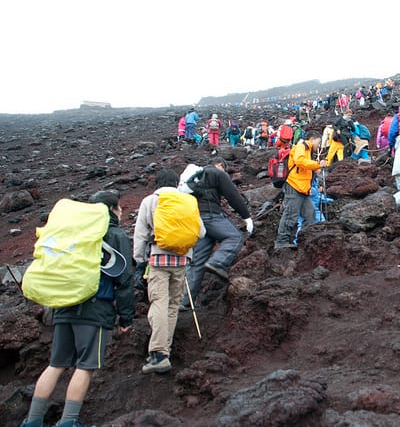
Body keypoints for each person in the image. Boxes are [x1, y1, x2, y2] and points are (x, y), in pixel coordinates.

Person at [21, 190, 134, 427]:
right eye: (120, 208)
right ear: (112, 209)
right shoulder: (114, 234)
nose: (122, 212)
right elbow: (124, 280)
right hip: (95, 309)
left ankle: (32, 421)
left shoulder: (72, 231)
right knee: (86, 366)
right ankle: (68, 421)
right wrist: (126, 318)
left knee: (56, 364)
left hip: (64, 305)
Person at [133, 169, 205, 374]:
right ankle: (166, 349)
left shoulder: (150, 201)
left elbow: (140, 233)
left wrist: (139, 259)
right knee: (173, 305)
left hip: (158, 259)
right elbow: (201, 232)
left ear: (157, 183)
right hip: (182, 259)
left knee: (159, 302)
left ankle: (158, 354)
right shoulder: (187, 200)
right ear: (176, 183)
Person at [179, 157, 253, 313]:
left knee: (197, 261)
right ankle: (218, 262)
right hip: (211, 216)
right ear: (219, 165)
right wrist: (246, 216)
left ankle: (186, 301)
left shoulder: (194, 178)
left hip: (195, 220)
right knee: (235, 237)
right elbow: (232, 195)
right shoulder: (216, 173)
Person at [274, 133, 327, 250]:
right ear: (313, 139)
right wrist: (317, 164)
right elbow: (299, 161)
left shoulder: (308, 151)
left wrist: (315, 169)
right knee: (290, 214)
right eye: (318, 143)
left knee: (310, 213)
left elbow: (304, 168)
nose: (319, 146)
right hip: (294, 186)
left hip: (303, 189)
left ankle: (304, 240)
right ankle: (281, 242)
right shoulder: (301, 146)